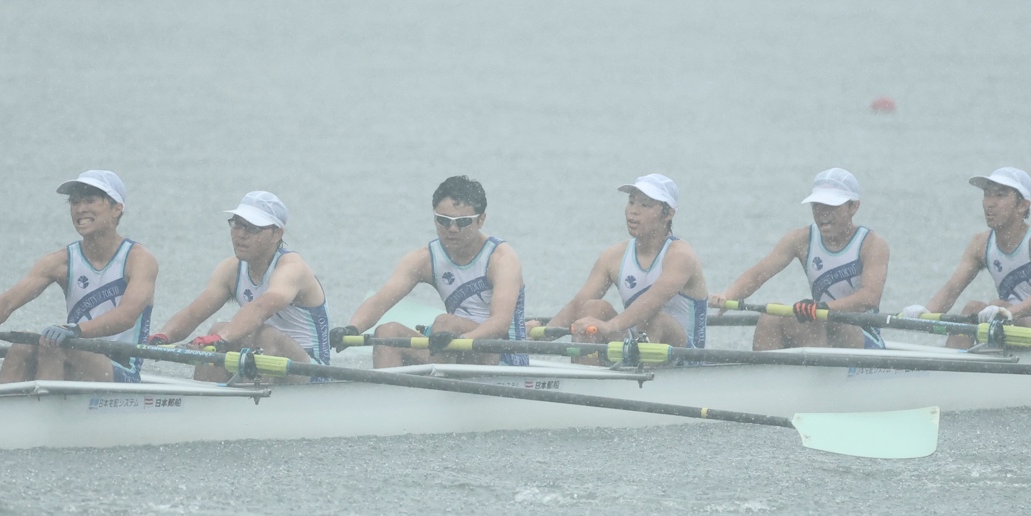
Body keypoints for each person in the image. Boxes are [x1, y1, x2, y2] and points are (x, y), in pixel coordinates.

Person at [0, 170, 158, 383]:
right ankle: (4, 402)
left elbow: (126, 316)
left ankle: (45, 399)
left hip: (120, 369)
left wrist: (74, 330)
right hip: (75, 355)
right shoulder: (59, 261)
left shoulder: (139, 260)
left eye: (90, 200)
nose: (80, 209)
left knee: (55, 347)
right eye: (75, 202)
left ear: (117, 209)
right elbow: (8, 302)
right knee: (23, 344)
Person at [337, 176, 528, 368]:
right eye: (443, 221)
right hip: (451, 346)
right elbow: (381, 300)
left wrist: (459, 340)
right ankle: (389, 387)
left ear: (481, 220)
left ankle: (436, 381)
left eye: (462, 222)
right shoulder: (424, 259)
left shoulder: (502, 259)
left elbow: (500, 323)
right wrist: (352, 329)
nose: (452, 229)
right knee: (387, 333)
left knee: (446, 323)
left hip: (502, 354)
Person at [151, 191, 331, 374]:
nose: (241, 234)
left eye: (252, 228)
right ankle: (208, 392)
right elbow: (193, 314)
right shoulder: (230, 269)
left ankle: (249, 388)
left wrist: (221, 339)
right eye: (237, 224)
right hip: (264, 360)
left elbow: (261, 308)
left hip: (311, 371)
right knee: (217, 331)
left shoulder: (292, 268)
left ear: (277, 234)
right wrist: (162, 337)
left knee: (262, 336)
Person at [712, 168, 889, 350]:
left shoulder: (872, 244)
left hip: (862, 333)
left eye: (831, 206)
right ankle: (765, 367)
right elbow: (758, 274)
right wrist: (728, 295)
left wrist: (822, 308)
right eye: (817, 205)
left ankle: (810, 364)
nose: (822, 213)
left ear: (853, 207)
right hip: (820, 323)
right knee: (770, 317)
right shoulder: (800, 239)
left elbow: (869, 298)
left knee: (822, 322)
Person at [909, 168, 1031, 345]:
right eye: (987, 194)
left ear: (1022, 205)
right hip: (1007, 320)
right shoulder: (981, 243)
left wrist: (1008, 312)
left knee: (998, 305)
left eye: (1000, 195)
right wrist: (925, 313)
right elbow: (952, 289)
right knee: (972, 308)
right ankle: (952, 360)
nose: (989, 204)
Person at [550, 174, 711, 348]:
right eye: (631, 202)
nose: (634, 211)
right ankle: (587, 366)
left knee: (655, 320)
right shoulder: (613, 256)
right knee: (592, 309)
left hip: (686, 355)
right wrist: (543, 332)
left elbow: (651, 302)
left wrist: (609, 326)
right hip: (635, 345)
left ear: (668, 214)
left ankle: (636, 361)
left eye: (645, 205)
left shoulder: (681, 255)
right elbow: (577, 305)